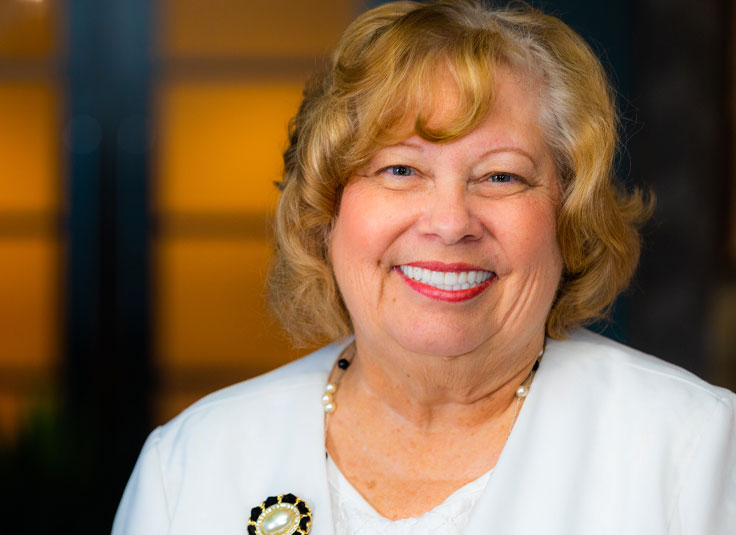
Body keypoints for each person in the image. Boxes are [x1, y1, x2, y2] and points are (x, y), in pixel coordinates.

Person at [112, 1, 736, 533]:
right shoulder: (193, 463)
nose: (449, 222)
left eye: (500, 175)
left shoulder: (695, 451)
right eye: (400, 170)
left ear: (568, 219)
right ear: (327, 209)